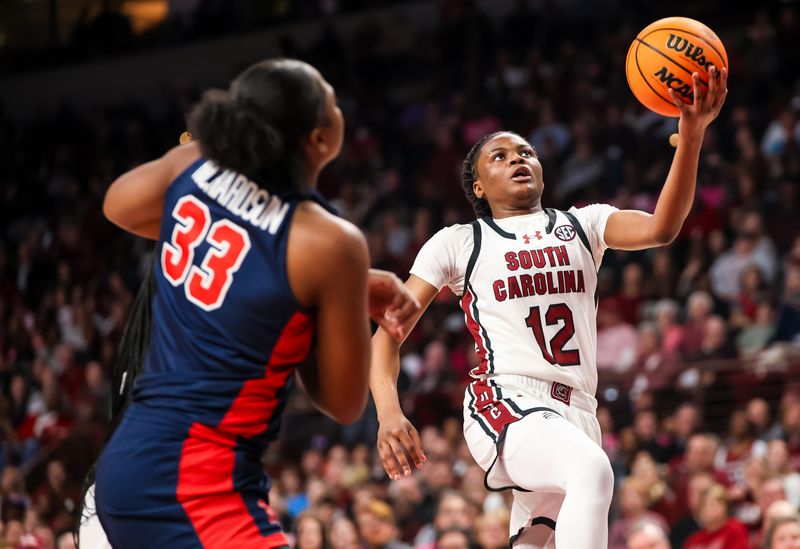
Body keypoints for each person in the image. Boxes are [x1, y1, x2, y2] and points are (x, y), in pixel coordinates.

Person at [370, 67, 728, 548]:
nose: (518, 159)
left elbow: (663, 228)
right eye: (500, 156)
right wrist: (389, 413)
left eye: (526, 152)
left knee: (537, 539)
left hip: (578, 410)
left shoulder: (585, 223)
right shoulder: (459, 242)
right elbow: (389, 333)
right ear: (478, 187)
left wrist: (690, 137)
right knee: (591, 470)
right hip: (507, 400)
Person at [85, 59, 419, 548]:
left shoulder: (190, 166)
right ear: (321, 138)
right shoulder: (330, 243)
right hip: (196, 486)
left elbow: (118, 204)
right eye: (331, 101)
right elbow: (343, 403)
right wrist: (332, 296)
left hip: (126, 463)